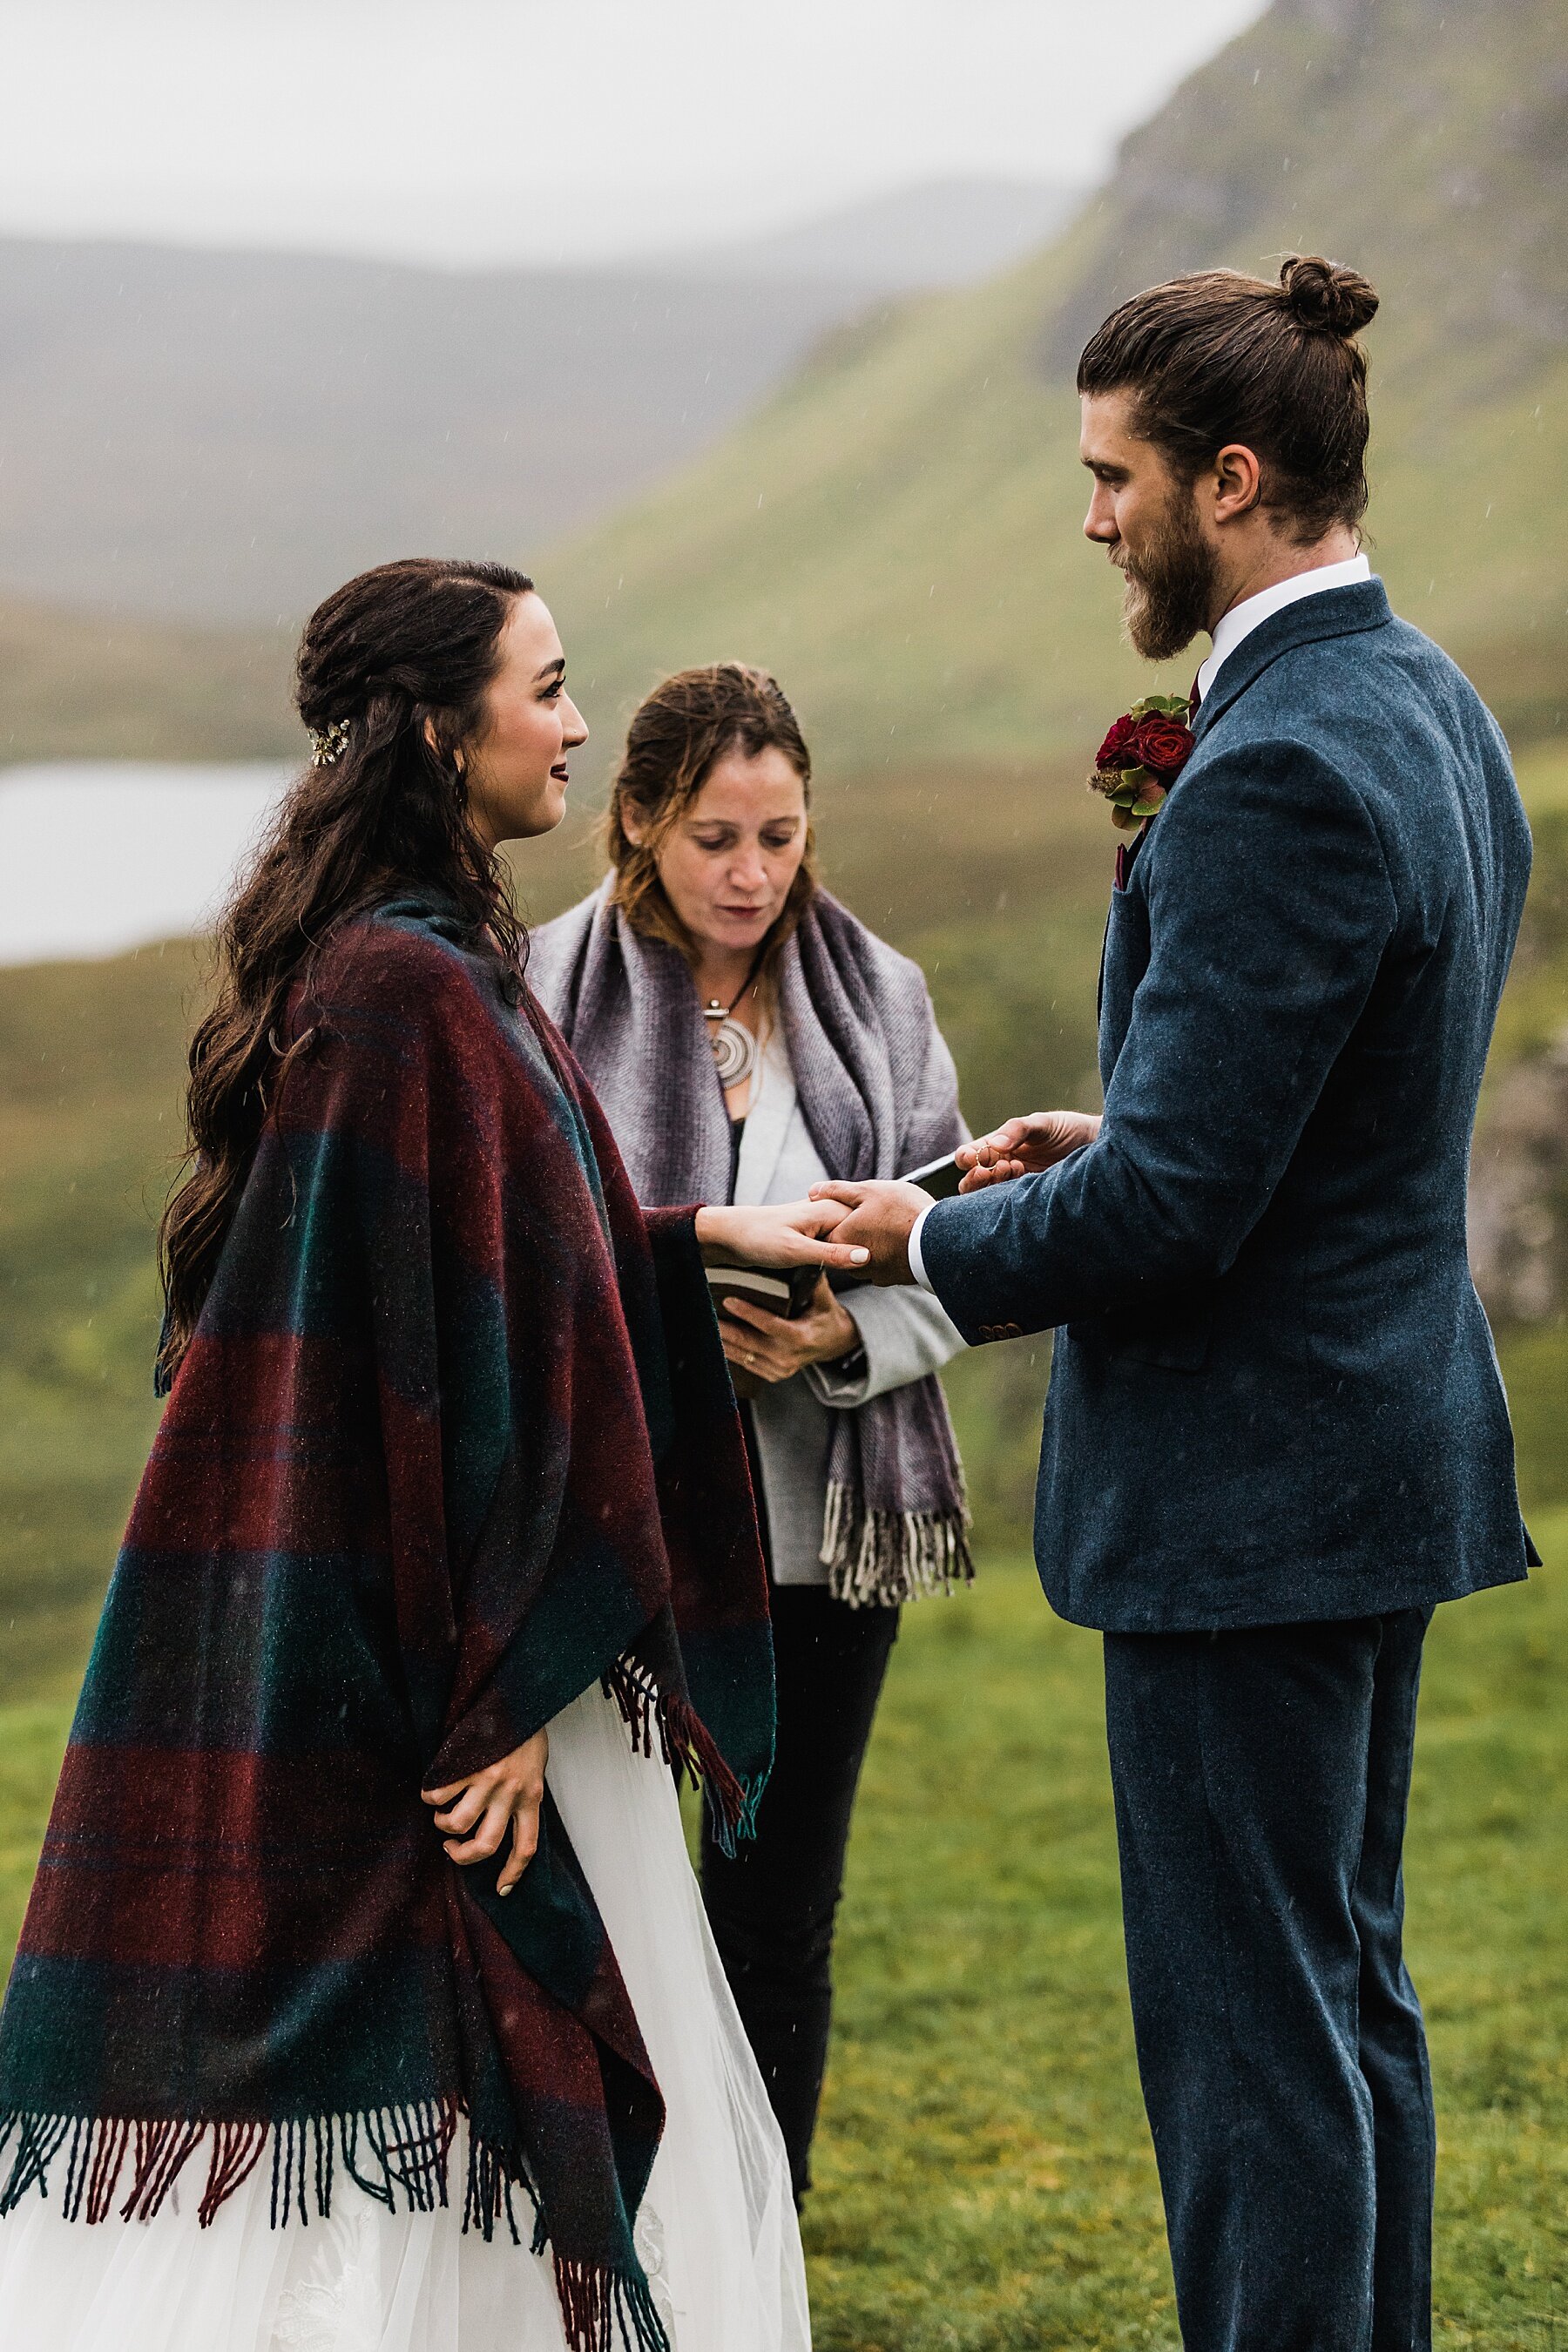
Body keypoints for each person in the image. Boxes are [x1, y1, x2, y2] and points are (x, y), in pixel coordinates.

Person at [0, 559, 868, 2352]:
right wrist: (490, 1697)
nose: (570, 721)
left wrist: (688, 1246)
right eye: (543, 687)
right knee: (461, 2127)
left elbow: (513, 1285)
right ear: (433, 723)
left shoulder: (441, 953)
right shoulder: (403, 987)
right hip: (474, 1695)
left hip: (496, 1670)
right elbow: (380, 1392)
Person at [809, 259, 1537, 2350]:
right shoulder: (1426, 699)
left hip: (1253, 1498)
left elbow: (1183, 1226)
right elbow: (1290, 1123)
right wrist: (1115, 1130)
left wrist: (915, 1247)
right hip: (1374, 1451)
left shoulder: (1283, 763)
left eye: (1114, 477)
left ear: (1233, 478)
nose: (1094, 518)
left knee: (1250, 2049)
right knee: (1344, 1996)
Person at [528, 663, 970, 2203]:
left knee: (779, 1916)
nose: (752, 873)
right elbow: (521, 1263)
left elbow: (956, 1246)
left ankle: (757, 2251)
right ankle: (612, 2240)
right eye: (716, 837)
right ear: (639, 822)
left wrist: (848, 1339)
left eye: (780, 836)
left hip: (815, 1541)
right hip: (621, 1535)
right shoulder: (539, 992)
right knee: (613, 1909)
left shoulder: (882, 1000)